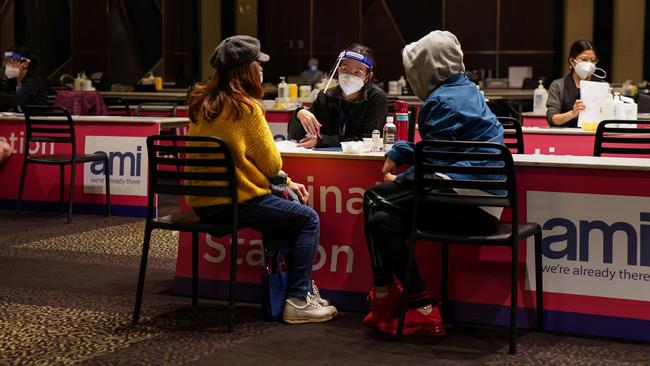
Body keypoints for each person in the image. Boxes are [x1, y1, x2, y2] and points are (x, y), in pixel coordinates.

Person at [185, 35, 337, 324]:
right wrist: (284, 180)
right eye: (258, 64)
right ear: (246, 69)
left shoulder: (202, 104)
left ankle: (299, 292)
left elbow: (247, 163)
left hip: (204, 204)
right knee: (307, 218)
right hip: (235, 203)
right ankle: (297, 299)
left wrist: (284, 182)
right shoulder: (247, 108)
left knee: (283, 207)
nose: (262, 69)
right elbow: (271, 163)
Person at [362, 31, 504, 336]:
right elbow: (444, 149)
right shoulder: (466, 90)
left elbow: (434, 164)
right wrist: (401, 150)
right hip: (481, 199)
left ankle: (388, 293)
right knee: (384, 218)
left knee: (375, 199)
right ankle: (418, 304)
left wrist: (398, 178)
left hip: (467, 200)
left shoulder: (440, 102)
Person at [288, 44, 387, 148]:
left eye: (357, 72)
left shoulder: (376, 98)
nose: (350, 76)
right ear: (338, 70)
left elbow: (368, 139)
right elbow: (294, 135)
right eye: (345, 69)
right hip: (326, 158)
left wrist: (323, 140)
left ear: (367, 77)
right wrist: (299, 114)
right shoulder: (326, 96)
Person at [546, 40, 606, 127]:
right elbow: (552, 118)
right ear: (572, 61)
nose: (589, 64)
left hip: (594, 135)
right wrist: (572, 113)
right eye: (584, 60)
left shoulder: (602, 86)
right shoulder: (558, 86)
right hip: (566, 136)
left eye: (592, 60)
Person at [0, 45, 49, 112]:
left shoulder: (34, 80)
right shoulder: (12, 80)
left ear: (25, 63)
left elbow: (16, 100)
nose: (9, 64)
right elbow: (4, 104)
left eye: (14, 61)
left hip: (38, 119)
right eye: (8, 61)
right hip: (20, 118)